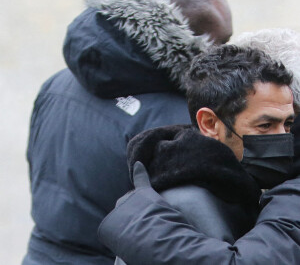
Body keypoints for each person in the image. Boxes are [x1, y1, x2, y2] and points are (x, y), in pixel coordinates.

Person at [22, 0, 233, 265]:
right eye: (220, 44)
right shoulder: (180, 118)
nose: (225, 56)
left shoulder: (56, 84)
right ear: (188, 40)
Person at [98, 45, 300, 264]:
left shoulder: (247, 188)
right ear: (210, 123)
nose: (282, 137)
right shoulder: (183, 204)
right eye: (265, 125)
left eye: (288, 124)